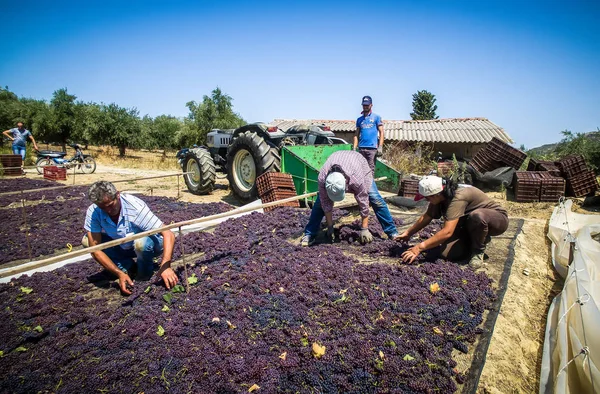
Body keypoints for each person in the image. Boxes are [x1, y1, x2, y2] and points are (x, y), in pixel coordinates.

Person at [82, 181, 177, 295]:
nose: (108, 211)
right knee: (87, 241)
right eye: (103, 208)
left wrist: (165, 266)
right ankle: (127, 267)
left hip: (150, 243)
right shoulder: (94, 211)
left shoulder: (134, 207)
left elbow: (168, 233)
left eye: (110, 205)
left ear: (117, 195)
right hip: (123, 245)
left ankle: (144, 275)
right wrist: (118, 273)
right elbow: (95, 249)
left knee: (140, 243)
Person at [397, 175, 509, 268]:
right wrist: (408, 233)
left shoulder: (458, 197)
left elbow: (447, 232)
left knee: (477, 216)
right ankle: (476, 237)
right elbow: (427, 216)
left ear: (436, 194)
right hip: (467, 223)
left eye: (427, 198)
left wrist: (419, 247)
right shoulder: (440, 196)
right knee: (447, 254)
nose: (427, 200)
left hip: (496, 220)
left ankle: (478, 250)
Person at [300, 150, 399, 246]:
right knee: (319, 203)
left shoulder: (357, 179)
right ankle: (309, 234)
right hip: (338, 158)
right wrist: (330, 227)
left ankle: (392, 232)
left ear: (346, 184)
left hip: (359, 165)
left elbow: (363, 202)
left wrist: (364, 228)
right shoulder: (322, 178)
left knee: (375, 199)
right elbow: (325, 202)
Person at [354, 95, 384, 174]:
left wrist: (380, 146)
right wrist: (354, 148)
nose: (365, 106)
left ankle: (370, 186)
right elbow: (356, 134)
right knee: (360, 169)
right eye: (364, 105)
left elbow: (381, 132)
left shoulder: (376, 117)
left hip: (372, 148)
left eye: (367, 105)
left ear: (371, 105)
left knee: (370, 170)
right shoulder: (359, 119)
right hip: (361, 148)